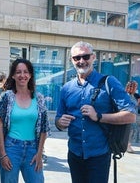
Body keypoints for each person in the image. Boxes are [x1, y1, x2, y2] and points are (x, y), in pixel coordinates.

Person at [55, 41, 136, 183]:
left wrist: (99, 116)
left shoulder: (109, 82)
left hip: (99, 154)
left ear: (93, 57)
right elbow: (58, 120)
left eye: (85, 57)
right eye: (77, 58)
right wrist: (60, 122)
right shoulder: (66, 88)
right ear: (71, 61)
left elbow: (130, 116)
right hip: (74, 153)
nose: (81, 61)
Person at [0, 58, 50, 183]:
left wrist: (39, 153)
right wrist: (2, 154)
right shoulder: (7, 97)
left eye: (26, 72)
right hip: (11, 149)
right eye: (18, 72)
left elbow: (44, 128)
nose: (22, 75)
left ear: (30, 75)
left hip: (33, 149)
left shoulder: (39, 98)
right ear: (13, 76)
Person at [125, 81, 139, 153]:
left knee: (133, 130)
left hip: (134, 116)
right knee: (129, 131)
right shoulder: (125, 95)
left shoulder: (135, 96)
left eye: (135, 87)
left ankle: (128, 145)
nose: (133, 88)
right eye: (131, 86)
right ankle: (127, 145)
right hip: (127, 116)